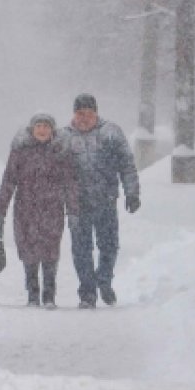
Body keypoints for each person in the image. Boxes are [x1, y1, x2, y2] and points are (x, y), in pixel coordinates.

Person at [63, 93, 140, 308]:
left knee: (109, 246)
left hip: (106, 200)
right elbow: (54, 171)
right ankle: (87, 292)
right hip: (77, 204)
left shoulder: (111, 133)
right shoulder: (64, 137)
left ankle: (104, 281)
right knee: (81, 249)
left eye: (89, 113)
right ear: (74, 114)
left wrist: (132, 192)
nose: (84, 118)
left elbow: (126, 164)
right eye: (80, 113)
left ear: (96, 113)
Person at [0, 113, 79, 308]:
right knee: (28, 250)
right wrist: (1, 206)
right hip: (26, 209)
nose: (42, 130)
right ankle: (33, 294)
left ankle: (49, 295)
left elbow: (70, 182)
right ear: (32, 129)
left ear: (52, 130)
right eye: (39, 126)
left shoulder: (60, 152)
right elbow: (9, 179)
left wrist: (73, 209)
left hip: (53, 208)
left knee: (50, 250)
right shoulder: (21, 151)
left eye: (46, 127)